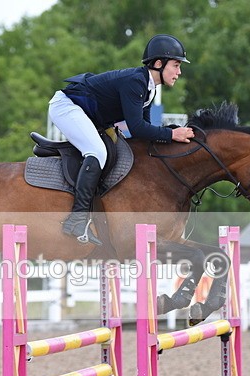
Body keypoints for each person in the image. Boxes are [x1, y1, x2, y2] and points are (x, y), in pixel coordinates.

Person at [48, 34, 196, 245]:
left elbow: (141, 133)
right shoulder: (136, 82)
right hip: (67, 107)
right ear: (158, 63)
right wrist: (172, 134)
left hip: (87, 113)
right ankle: (77, 220)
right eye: (176, 65)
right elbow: (137, 126)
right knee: (98, 152)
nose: (179, 72)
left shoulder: (149, 89)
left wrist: (170, 135)